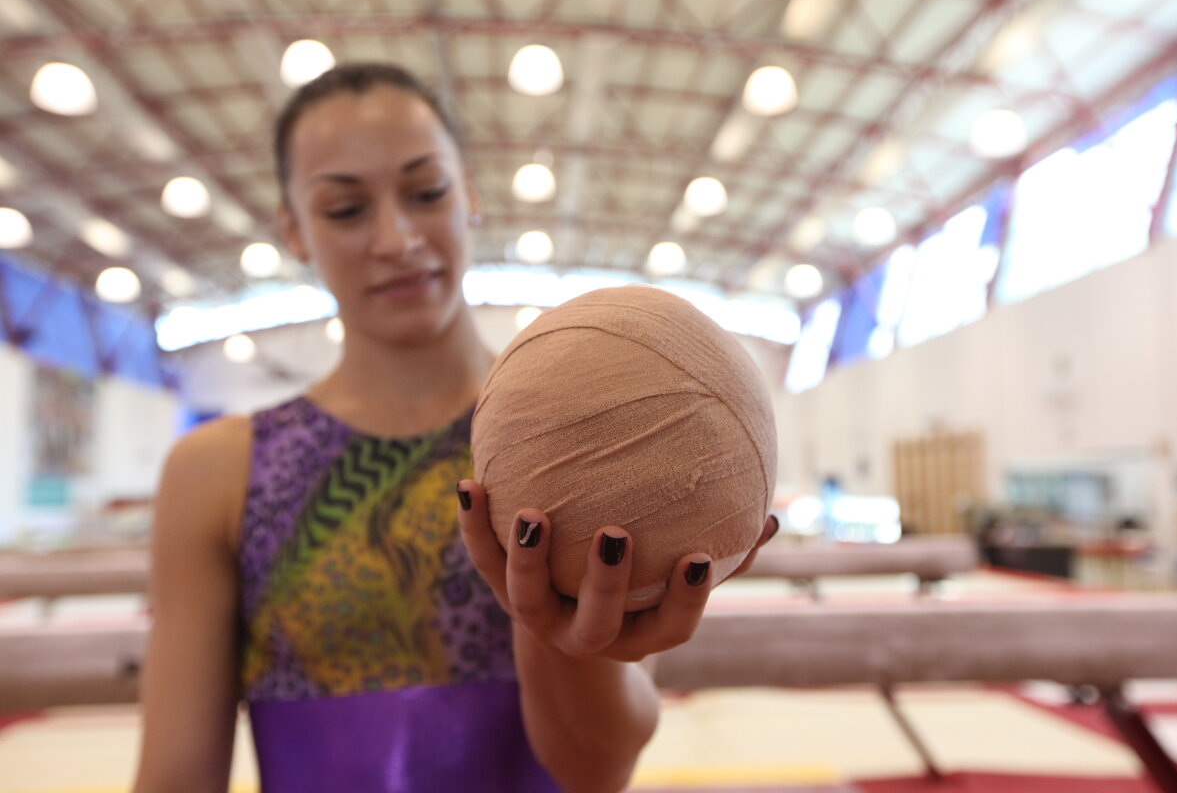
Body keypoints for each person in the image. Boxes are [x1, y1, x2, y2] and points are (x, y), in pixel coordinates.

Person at [131, 62, 779, 793]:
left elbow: (596, 770)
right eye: (345, 209)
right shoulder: (220, 472)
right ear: (294, 231)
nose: (397, 238)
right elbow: (175, 777)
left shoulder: (586, 431)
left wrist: (558, 639)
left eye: (426, 191)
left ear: (468, 192)